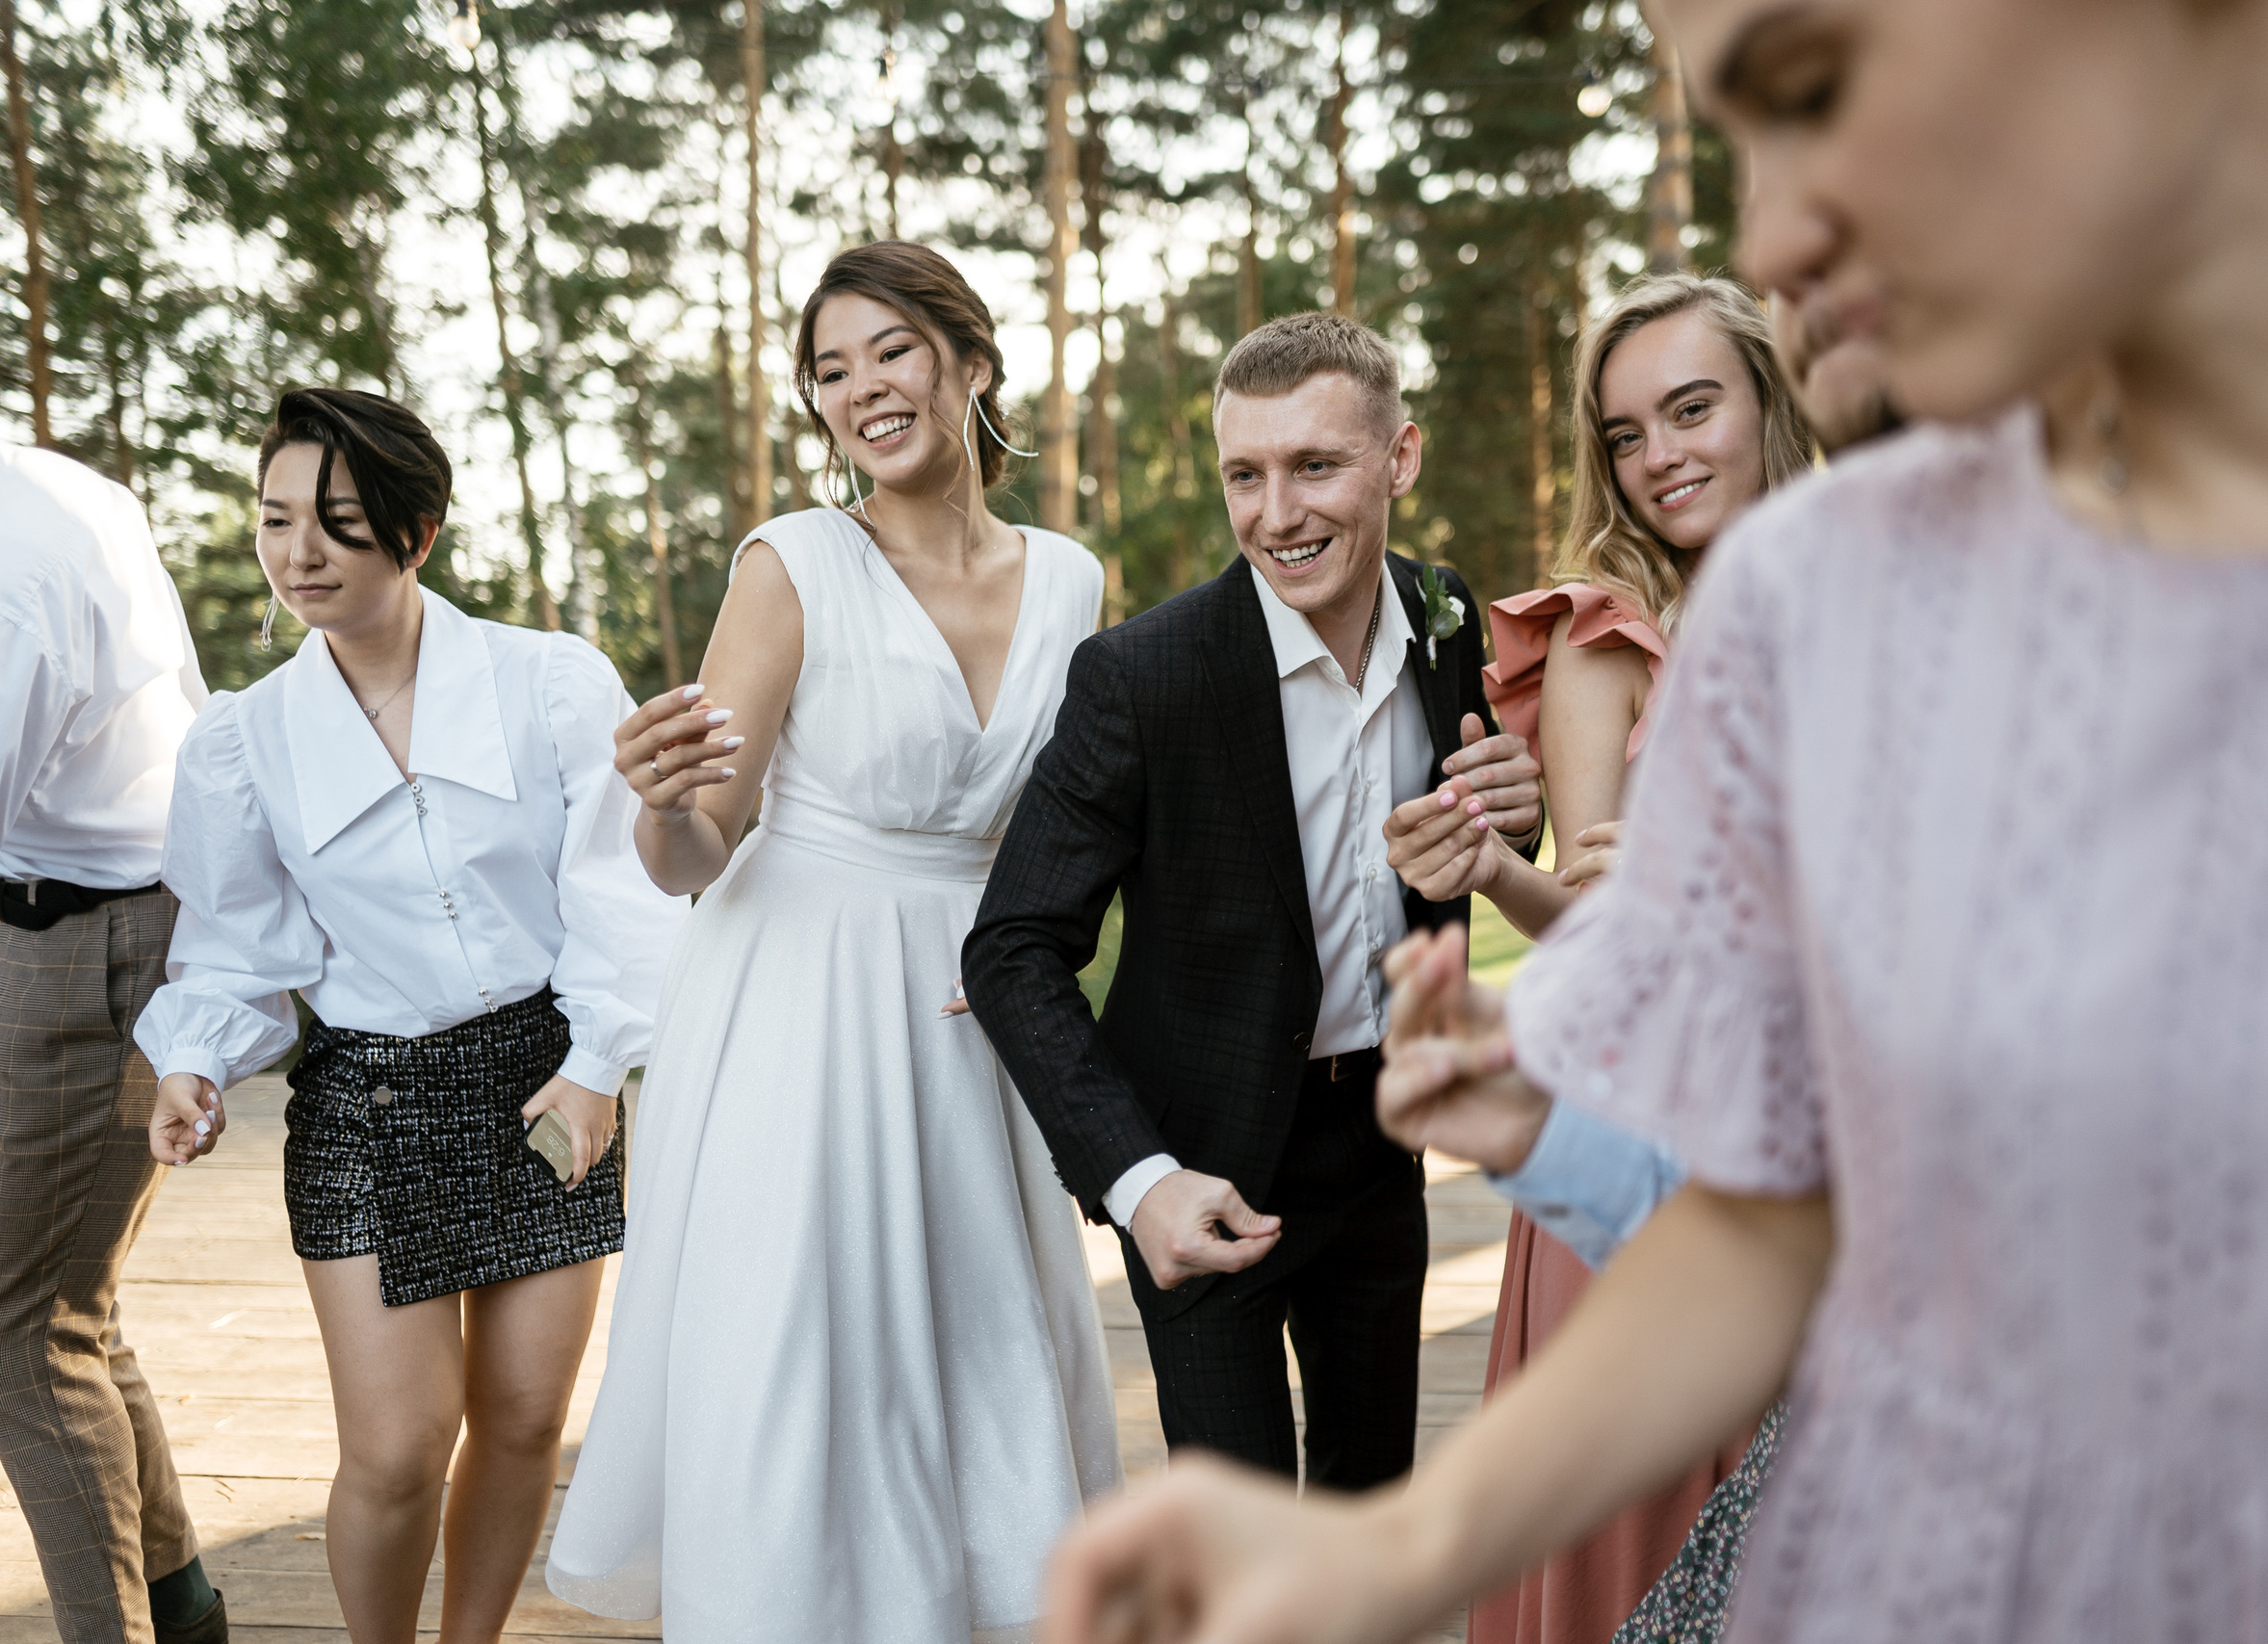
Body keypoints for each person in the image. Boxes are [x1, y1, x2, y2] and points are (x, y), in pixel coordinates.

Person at [1038, 0, 2268, 1638]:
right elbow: (1787, 1210)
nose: (1776, 228)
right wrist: (1398, 1552)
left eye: (1817, 87)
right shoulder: (1814, 594)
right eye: (1735, 135)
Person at [544, 240, 1120, 1643]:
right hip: (793, 993)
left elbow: (1070, 826)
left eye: (891, 351)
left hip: (979, 995)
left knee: (979, 1324)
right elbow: (701, 846)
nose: (862, 388)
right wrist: (662, 801)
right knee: (803, 1330)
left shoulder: (1070, 578)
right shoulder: (792, 561)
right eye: (830, 368)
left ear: (970, 364)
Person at [135, 387, 685, 1644]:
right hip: (366, 1100)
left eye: (336, 519)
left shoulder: (547, 681)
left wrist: (599, 1061)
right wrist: (194, 1063)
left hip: (549, 1082)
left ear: (418, 529)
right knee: (392, 1448)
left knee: (526, 1415)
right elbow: (233, 946)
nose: (300, 553)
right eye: (275, 520)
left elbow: (611, 886)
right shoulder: (242, 740)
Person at [962, 312, 1545, 1494]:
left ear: (1401, 458)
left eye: (1314, 466)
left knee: (1369, 1508)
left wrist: (1513, 810)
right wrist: (1140, 1182)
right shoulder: (1142, 676)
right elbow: (1012, 947)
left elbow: (1472, 832)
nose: (1276, 514)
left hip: (1382, 1149)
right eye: (1246, 474)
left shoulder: (1444, 618)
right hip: (1203, 1171)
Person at [1378, 274, 1812, 1644]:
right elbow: (1600, 913)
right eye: (1626, 432)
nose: (1661, 454)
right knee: (1648, 1527)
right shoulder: (1603, 629)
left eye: (1692, 409)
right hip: (1646, 1111)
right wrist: (1502, 873)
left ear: (1769, 402)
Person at [0, 446, 223, 1643]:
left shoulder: (14, 562)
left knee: (18, 1334)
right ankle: (183, 1605)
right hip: (86, 919)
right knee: (63, 1308)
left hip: (90, 938)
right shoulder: (63, 485)